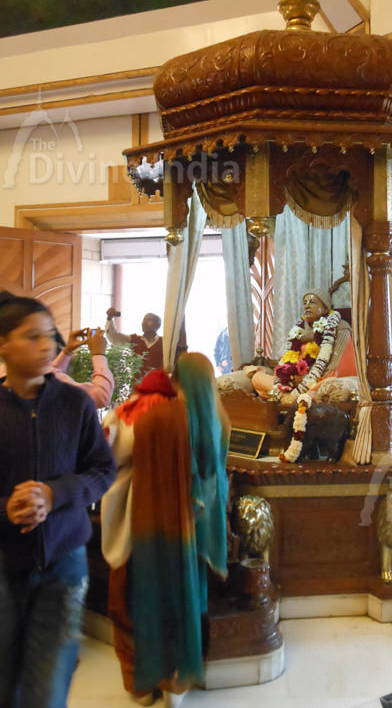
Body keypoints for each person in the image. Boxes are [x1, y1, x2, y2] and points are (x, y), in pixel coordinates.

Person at [0, 296, 116, 708]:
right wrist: (6, 508)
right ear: (4, 346)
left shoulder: (75, 403)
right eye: (31, 337)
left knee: (46, 688)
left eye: (49, 335)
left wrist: (55, 493)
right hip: (5, 562)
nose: (46, 345)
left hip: (64, 562)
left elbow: (102, 470)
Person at [101, 354, 229, 706]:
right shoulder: (217, 421)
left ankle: (141, 683)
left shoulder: (144, 416)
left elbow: (105, 456)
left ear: (176, 383)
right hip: (191, 537)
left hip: (144, 527)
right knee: (186, 602)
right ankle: (177, 680)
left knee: (132, 602)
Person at [251, 288, 356, 405]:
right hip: (293, 382)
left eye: (312, 302)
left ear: (326, 308)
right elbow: (287, 361)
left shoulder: (340, 327)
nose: (307, 306)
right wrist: (289, 378)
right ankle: (296, 398)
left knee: (329, 385)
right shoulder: (298, 331)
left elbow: (336, 366)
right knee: (257, 378)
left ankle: (288, 398)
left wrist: (307, 379)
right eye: (305, 302)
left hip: (319, 380)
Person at [105, 307, 163, 379]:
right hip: (137, 386)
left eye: (149, 320)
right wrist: (109, 319)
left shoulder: (164, 343)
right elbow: (114, 337)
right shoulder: (134, 340)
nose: (144, 322)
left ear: (157, 325)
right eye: (144, 319)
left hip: (157, 386)